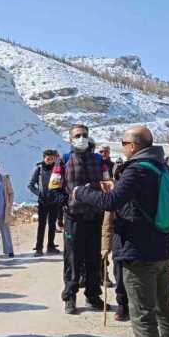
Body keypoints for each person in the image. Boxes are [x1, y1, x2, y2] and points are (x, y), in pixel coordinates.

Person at [73, 126, 169, 337]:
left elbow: (111, 203)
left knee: (143, 314)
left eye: (124, 142)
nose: (122, 146)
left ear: (133, 146)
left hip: (138, 252)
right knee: (164, 310)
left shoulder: (136, 170)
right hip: (160, 249)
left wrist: (82, 192)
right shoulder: (160, 166)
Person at [51, 124, 108, 315]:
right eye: (77, 135)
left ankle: (93, 295)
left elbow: (108, 185)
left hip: (94, 216)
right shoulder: (63, 160)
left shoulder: (99, 160)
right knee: (72, 258)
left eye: (84, 135)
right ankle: (70, 296)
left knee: (93, 257)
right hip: (73, 217)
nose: (81, 138)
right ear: (70, 139)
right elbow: (54, 187)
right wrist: (64, 201)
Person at [28, 149, 61, 256]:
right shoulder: (38, 168)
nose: (50, 160)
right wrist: (39, 194)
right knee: (41, 225)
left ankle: (51, 246)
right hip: (43, 202)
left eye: (52, 158)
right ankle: (39, 248)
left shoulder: (57, 168)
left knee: (52, 225)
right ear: (44, 158)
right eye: (48, 158)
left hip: (54, 201)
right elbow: (31, 185)